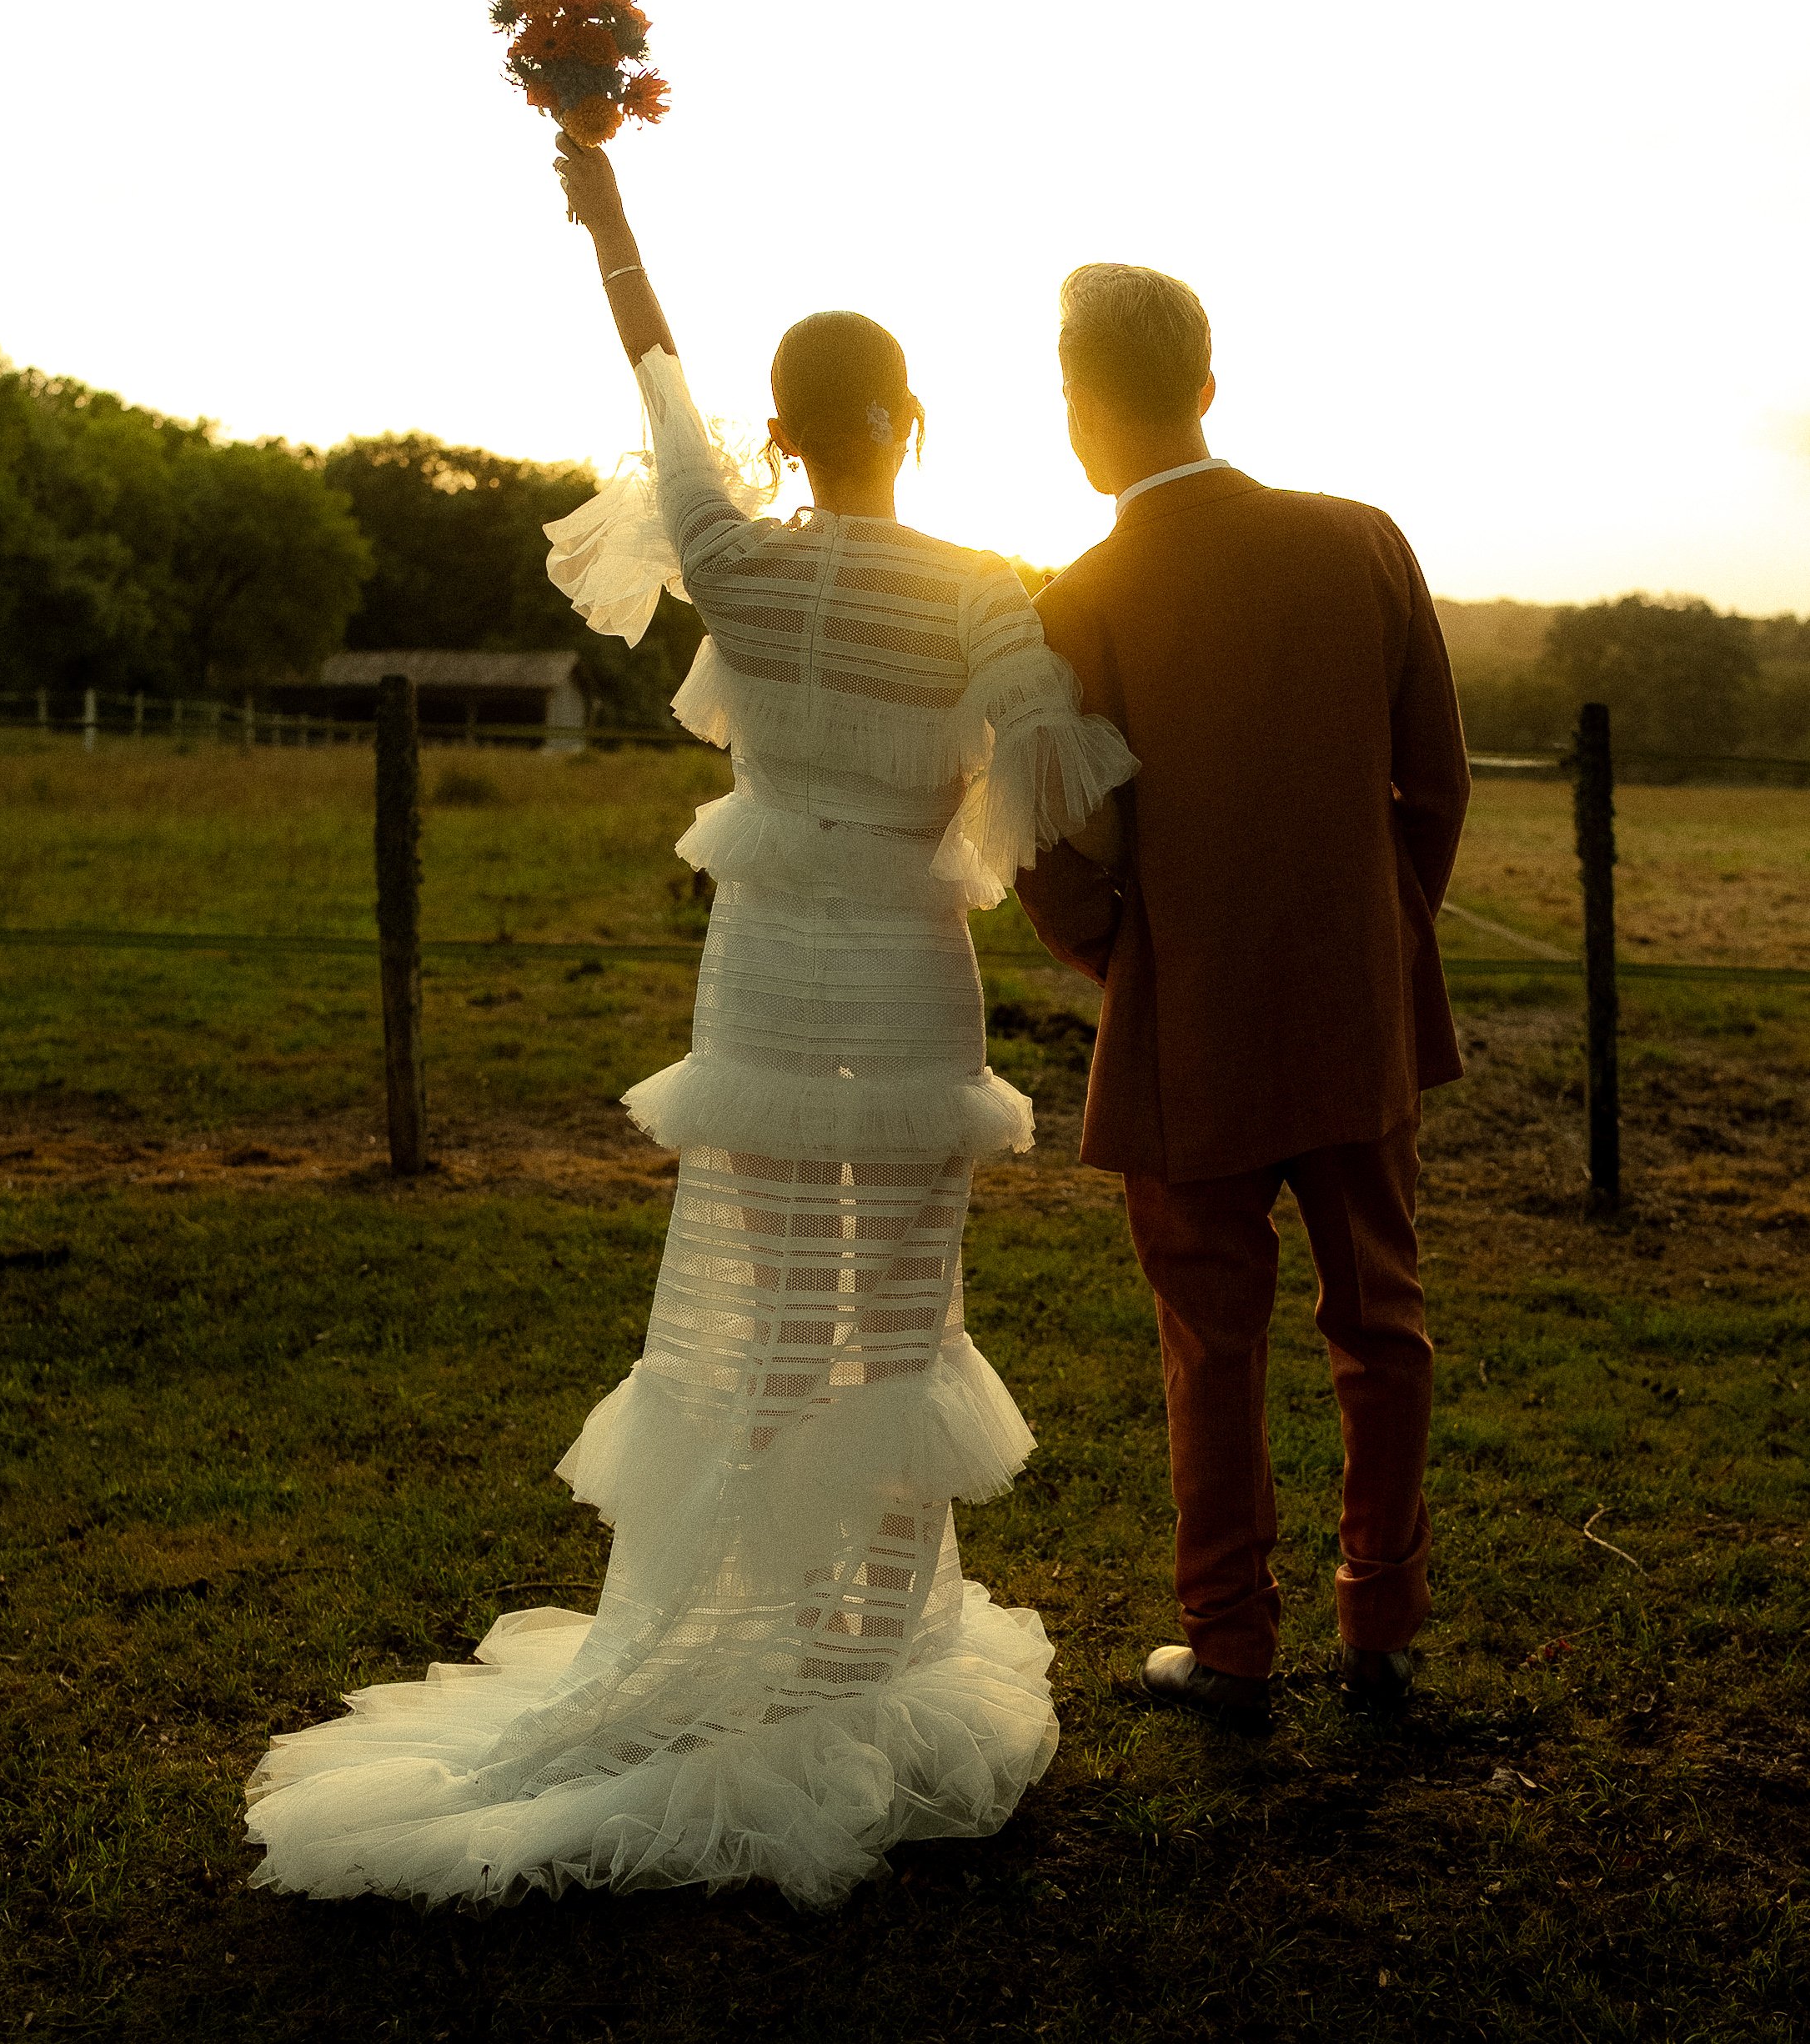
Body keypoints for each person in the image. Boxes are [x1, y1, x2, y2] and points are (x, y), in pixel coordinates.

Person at [244, 148, 1136, 1911]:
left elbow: (655, 384)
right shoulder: (975, 588)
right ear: (914, 418)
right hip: (901, 977)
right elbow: (1063, 806)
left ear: (789, 435)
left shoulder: (732, 551)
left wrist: (602, 207)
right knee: (897, 1315)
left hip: (759, 977)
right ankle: (853, 1656)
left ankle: (738, 1632)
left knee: (760, 1302)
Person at [1016, 263, 1469, 1722]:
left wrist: (1123, 957)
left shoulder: (1077, 597)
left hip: (1187, 1019)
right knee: (1379, 1317)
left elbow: (1044, 833)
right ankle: (1380, 1626)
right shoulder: (1362, 542)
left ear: (1080, 411)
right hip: (1356, 1005)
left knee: (1212, 1342)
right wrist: (1371, 937)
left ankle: (1228, 1645)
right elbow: (1434, 785)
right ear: (1206, 388)